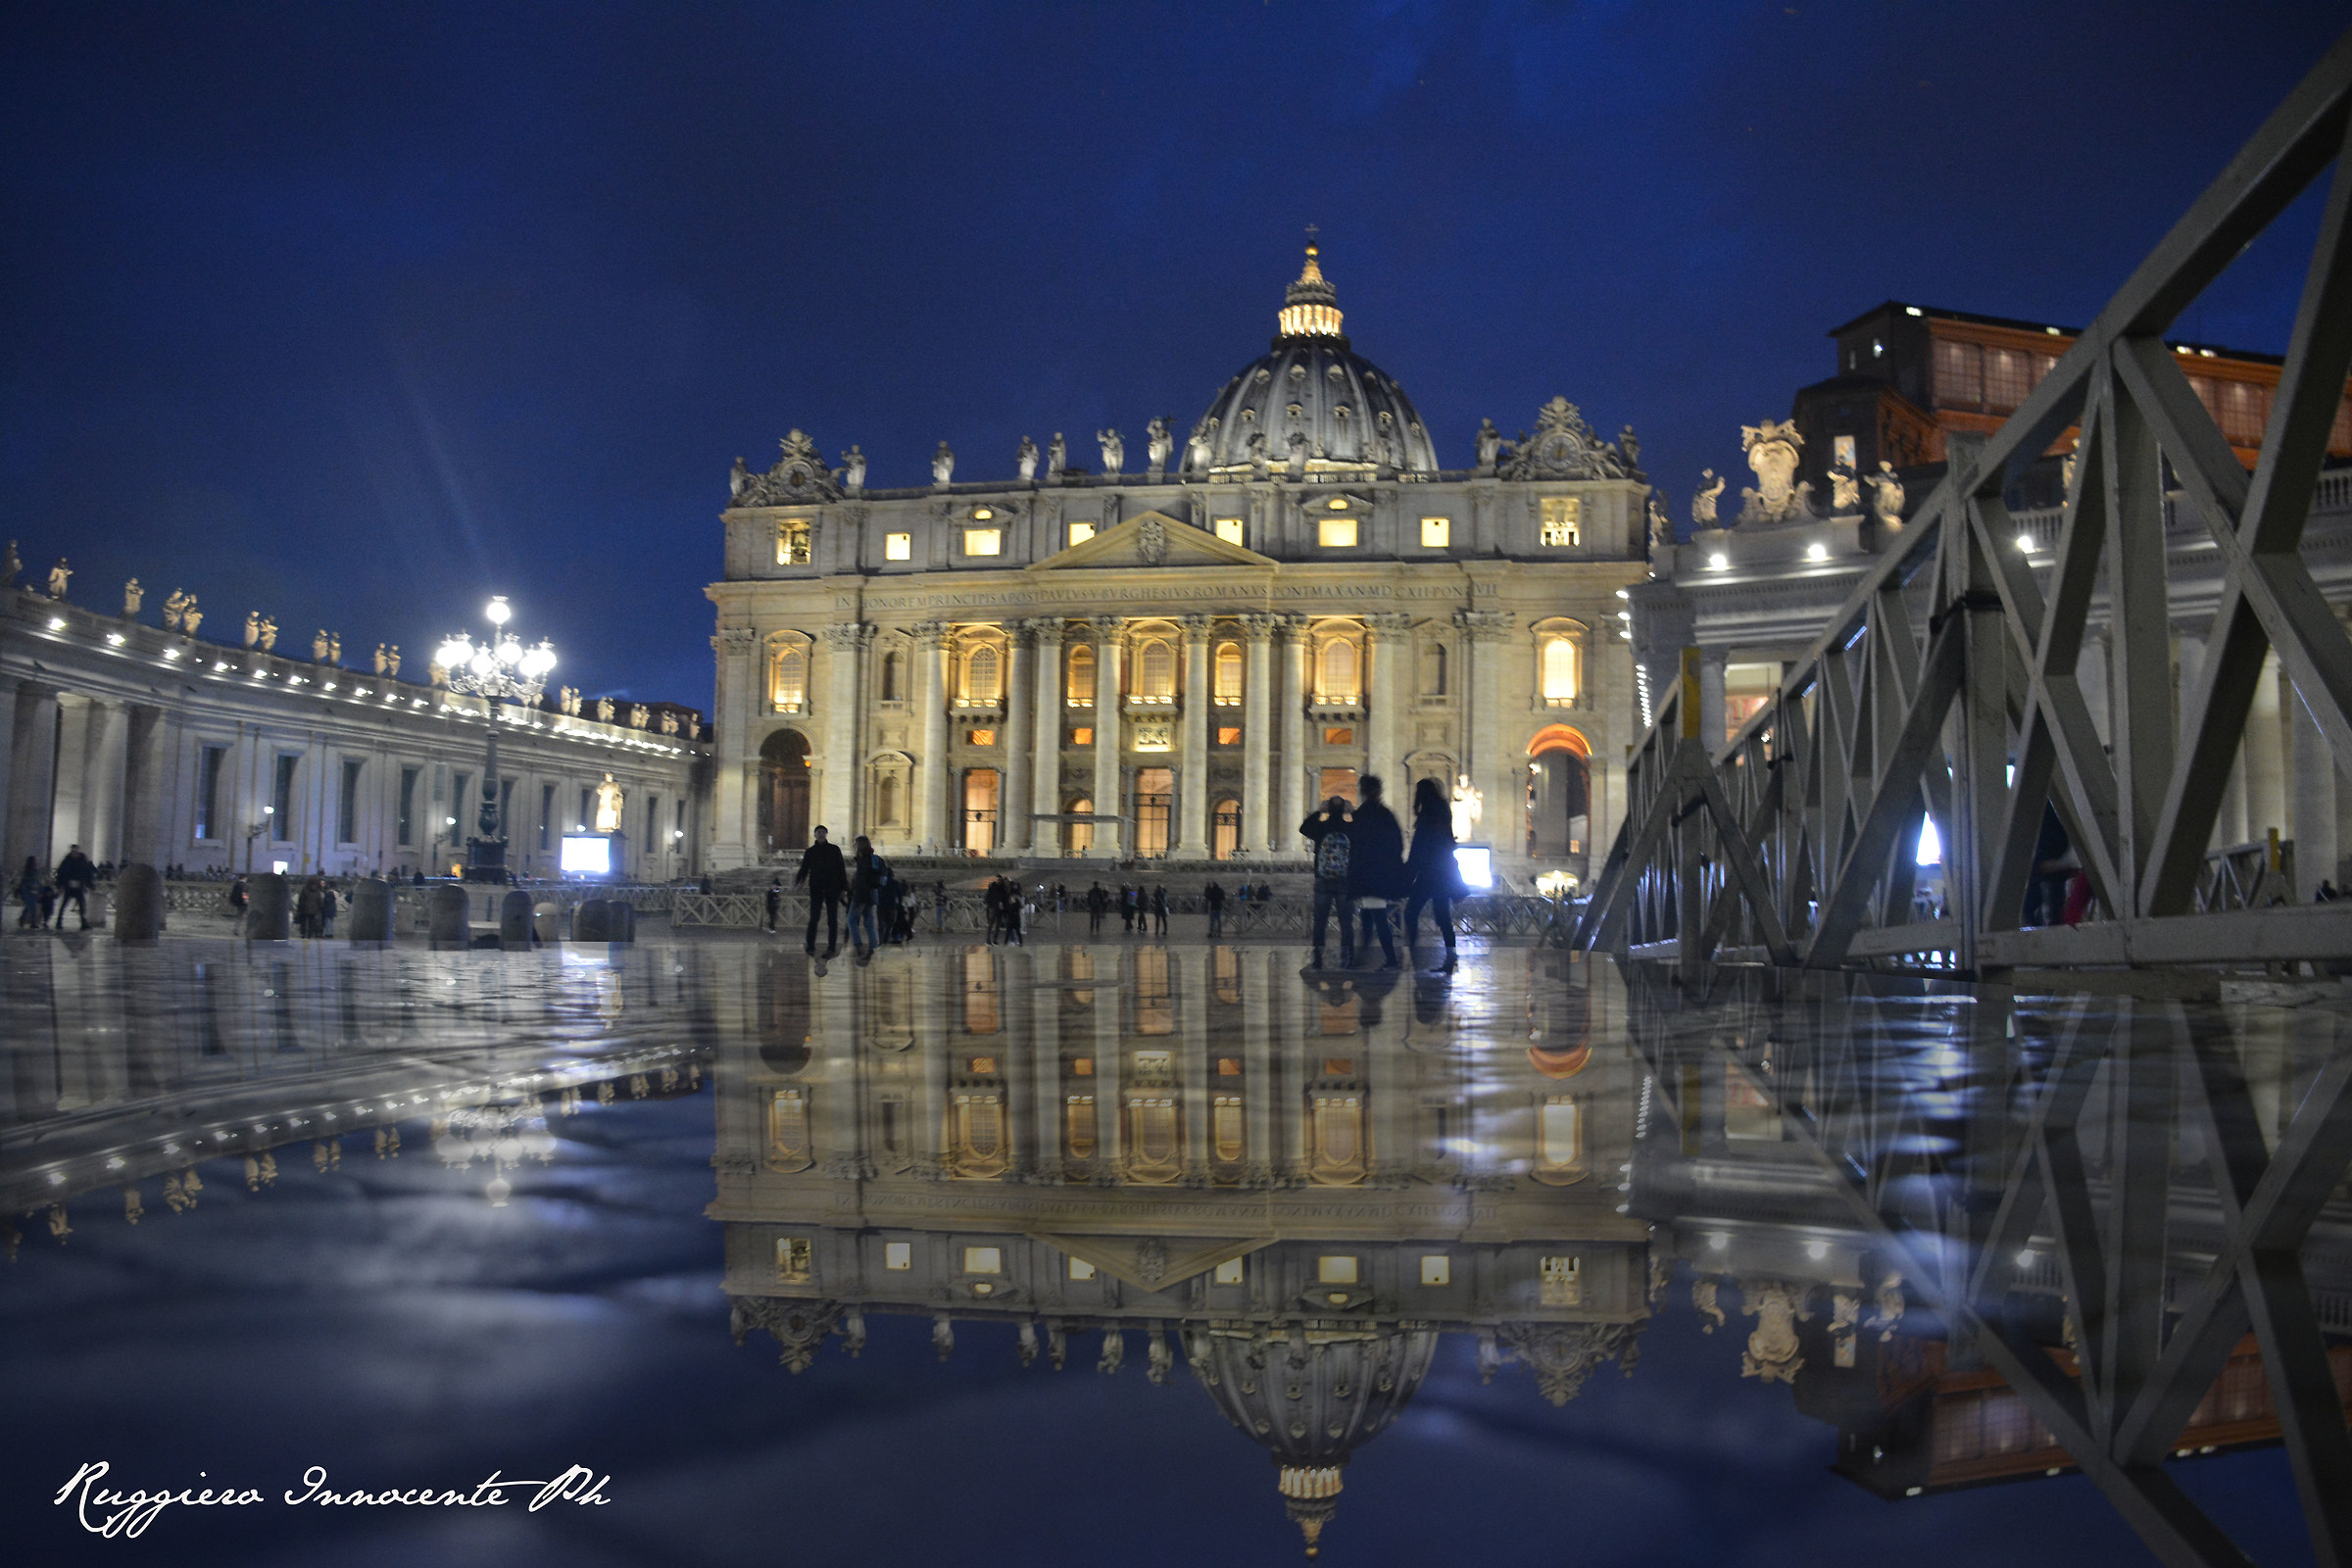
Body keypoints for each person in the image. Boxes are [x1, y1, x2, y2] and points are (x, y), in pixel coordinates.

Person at [1403, 776, 1464, 970]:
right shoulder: (1443, 813)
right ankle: (1451, 958)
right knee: (1443, 917)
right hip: (1443, 873)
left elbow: (1418, 849)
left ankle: (1413, 953)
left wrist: (1408, 873)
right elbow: (1449, 843)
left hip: (1428, 874)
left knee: (1411, 912)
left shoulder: (1426, 817)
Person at [1347, 775, 1407, 970]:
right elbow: (1397, 845)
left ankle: (1387, 959)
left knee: (1376, 918)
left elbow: (1355, 846)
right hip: (1381, 875)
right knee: (1371, 916)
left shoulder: (1362, 815)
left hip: (1367, 876)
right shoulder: (1385, 815)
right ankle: (1370, 957)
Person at [1300, 796, 1354, 969]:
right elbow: (1367, 829)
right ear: (1343, 810)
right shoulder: (1350, 828)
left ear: (1328, 809)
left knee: (1320, 921)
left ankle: (1318, 956)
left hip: (1322, 879)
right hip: (1345, 881)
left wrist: (1318, 811)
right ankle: (1348, 957)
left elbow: (1303, 828)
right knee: (1346, 922)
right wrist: (1353, 812)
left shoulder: (1321, 827)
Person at [794, 825, 848, 956]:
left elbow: (841, 869)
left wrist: (844, 888)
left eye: (823, 832)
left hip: (832, 888)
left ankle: (831, 947)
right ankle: (810, 946)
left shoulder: (835, 849)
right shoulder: (810, 851)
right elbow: (804, 869)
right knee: (813, 919)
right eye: (819, 832)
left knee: (832, 920)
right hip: (816, 888)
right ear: (815, 834)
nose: (821, 834)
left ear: (826, 834)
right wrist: (798, 882)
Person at [847, 835, 887, 956]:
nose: (853, 846)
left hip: (861, 895)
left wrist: (855, 893)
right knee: (869, 921)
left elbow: (862, 880)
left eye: (855, 844)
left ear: (859, 845)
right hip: (873, 894)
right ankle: (874, 945)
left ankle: (858, 944)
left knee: (851, 919)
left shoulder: (864, 860)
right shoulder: (876, 859)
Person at [52, 844, 96, 931]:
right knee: (64, 904)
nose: (74, 852)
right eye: (73, 851)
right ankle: (59, 922)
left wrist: (90, 884)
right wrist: (59, 885)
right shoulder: (67, 860)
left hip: (78, 886)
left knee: (81, 905)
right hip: (69, 886)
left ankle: (83, 923)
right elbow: (61, 873)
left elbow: (86, 872)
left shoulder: (81, 860)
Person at [14, 856, 40, 930]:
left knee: (31, 906)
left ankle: (26, 920)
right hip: (27, 890)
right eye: (35, 860)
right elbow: (25, 881)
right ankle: (30, 922)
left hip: (32, 890)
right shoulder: (28, 871)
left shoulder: (35, 870)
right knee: (30, 906)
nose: (36, 862)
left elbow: (37, 881)